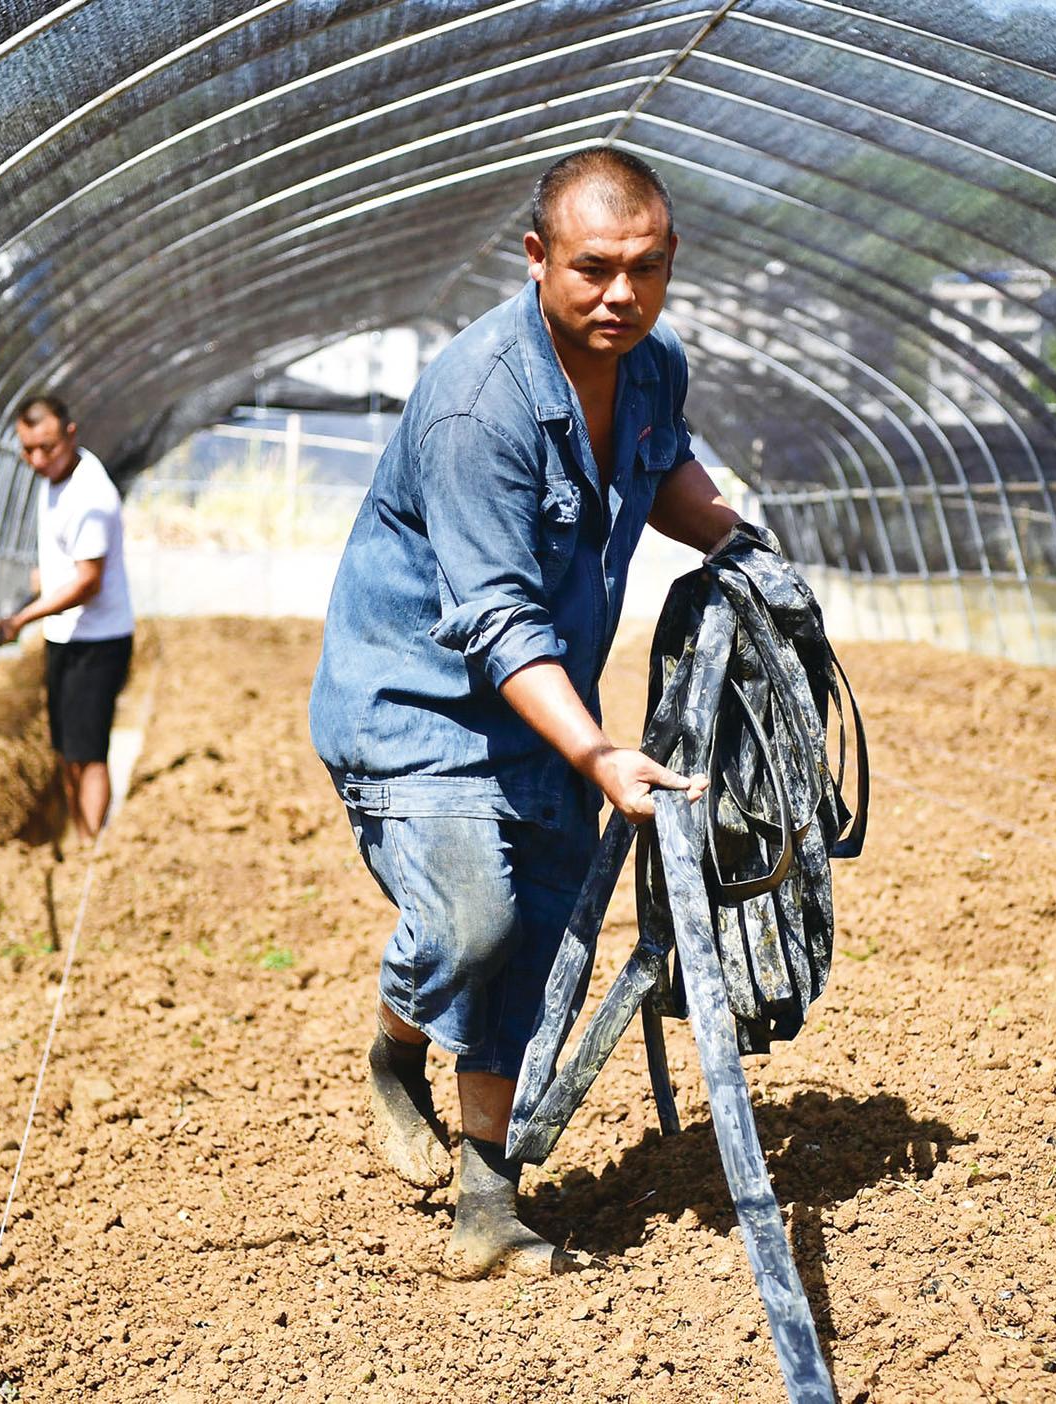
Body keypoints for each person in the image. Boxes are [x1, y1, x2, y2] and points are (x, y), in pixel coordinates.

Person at [309, 149, 744, 1278]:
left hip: (545, 707)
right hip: (419, 708)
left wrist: (746, 550)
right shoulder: (478, 404)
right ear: (538, 257)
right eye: (594, 268)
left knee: (540, 944)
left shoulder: (651, 367)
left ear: (671, 259)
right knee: (472, 926)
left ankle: (487, 1209)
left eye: (645, 269)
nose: (621, 294)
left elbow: (665, 472)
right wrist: (598, 752)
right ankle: (394, 1046)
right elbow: (498, 618)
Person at [0, 394, 135, 843]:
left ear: (70, 435)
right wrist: (40, 587)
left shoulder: (91, 495)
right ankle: (79, 837)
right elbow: (64, 564)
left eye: (48, 448)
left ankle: (91, 847)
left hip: (98, 641)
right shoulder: (54, 478)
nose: (38, 459)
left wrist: (21, 620)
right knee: (66, 750)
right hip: (66, 636)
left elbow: (88, 583)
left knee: (88, 752)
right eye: (28, 449)